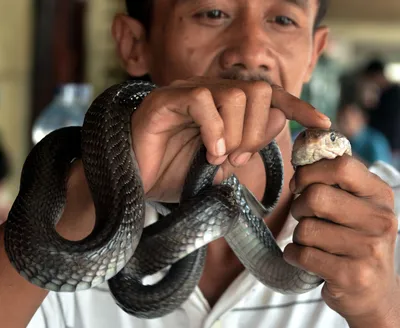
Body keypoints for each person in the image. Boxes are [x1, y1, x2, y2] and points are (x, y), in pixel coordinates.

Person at [1, 1, 400, 327]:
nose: (251, 50)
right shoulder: (64, 200)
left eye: (282, 19)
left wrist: (380, 310)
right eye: (212, 13)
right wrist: (93, 192)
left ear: (315, 52)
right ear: (134, 43)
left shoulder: (384, 219)